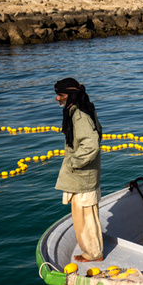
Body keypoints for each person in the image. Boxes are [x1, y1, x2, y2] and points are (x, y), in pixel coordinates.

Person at [54, 78, 104, 263]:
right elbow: (98, 132)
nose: (58, 98)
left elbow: (91, 146)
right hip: (83, 176)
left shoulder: (79, 115)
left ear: (72, 95)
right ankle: (92, 251)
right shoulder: (81, 109)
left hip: (82, 175)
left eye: (61, 95)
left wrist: (72, 163)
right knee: (84, 215)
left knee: (86, 217)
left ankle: (94, 254)